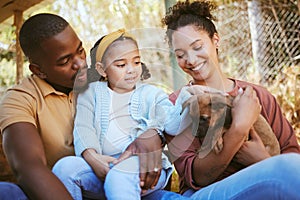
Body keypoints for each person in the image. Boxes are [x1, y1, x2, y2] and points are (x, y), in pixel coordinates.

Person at [0, 14, 162, 200]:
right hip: (64, 190)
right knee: (5, 192)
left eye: (80, 50)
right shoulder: (20, 100)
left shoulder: (104, 77)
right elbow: (28, 167)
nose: (80, 64)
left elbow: (153, 105)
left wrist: (154, 135)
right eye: (65, 61)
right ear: (39, 70)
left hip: (127, 183)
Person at [156, 0, 300, 199]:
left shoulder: (256, 96)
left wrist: (261, 160)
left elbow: (291, 157)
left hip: (264, 186)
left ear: (216, 40)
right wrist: (239, 128)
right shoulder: (176, 104)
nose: (190, 60)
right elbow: (197, 176)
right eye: (180, 55)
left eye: (197, 46)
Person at [52, 29, 185, 200]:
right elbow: (83, 127)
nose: (131, 70)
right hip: (104, 165)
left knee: (120, 176)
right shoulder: (90, 93)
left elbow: (174, 126)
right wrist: (93, 158)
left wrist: (185, 98)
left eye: (136, 62)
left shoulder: (152, 94)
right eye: (121, 65)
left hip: (142, 167)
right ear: (102, 69)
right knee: (65, 168)